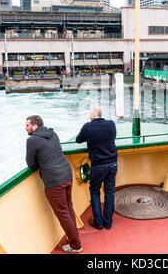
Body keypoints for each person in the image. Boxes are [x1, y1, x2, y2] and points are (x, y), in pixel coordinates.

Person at [25, 115, 82, 253]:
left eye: (27, 125)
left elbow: (31, 164)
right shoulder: (52, 133)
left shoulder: (32, 140)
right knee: (68, 208)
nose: (25, 128)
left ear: (35, 126)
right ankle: (72, 236)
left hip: (54, 181)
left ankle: (76, 245)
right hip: (67, 174)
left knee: (63, 213)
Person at [76, 105, 118, 230]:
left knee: (95, 192)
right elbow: (112, 137)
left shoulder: (88, 127)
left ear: (91, 116)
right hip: (113, 163)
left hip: (98, 165)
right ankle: (108, 222)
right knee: (109, 192)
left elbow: (78, 140)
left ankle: (99, 222)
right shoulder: (111, 124)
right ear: (102, 114)